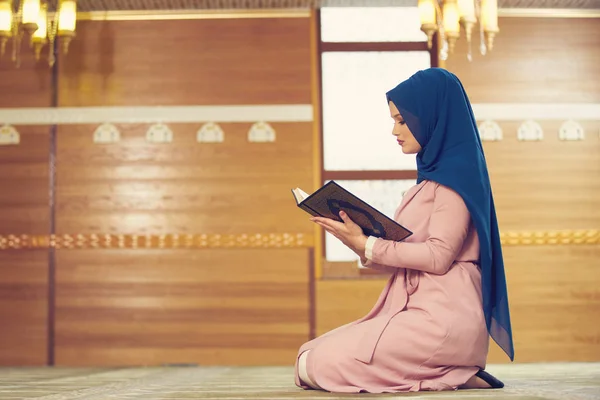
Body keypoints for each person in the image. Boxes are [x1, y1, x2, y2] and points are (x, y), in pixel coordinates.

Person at [294, 68, 514, 393]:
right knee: (306, 356)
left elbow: (438, 257)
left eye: (401, 120)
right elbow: (410, 255)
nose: (394, 130)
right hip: (417, 312)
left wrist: (369, 245)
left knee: (316, 366)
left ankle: (449, 371)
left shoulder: (454, 182)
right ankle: (451, 373)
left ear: (430, 117)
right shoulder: (430, 181)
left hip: (442, 321)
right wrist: (359, 242)